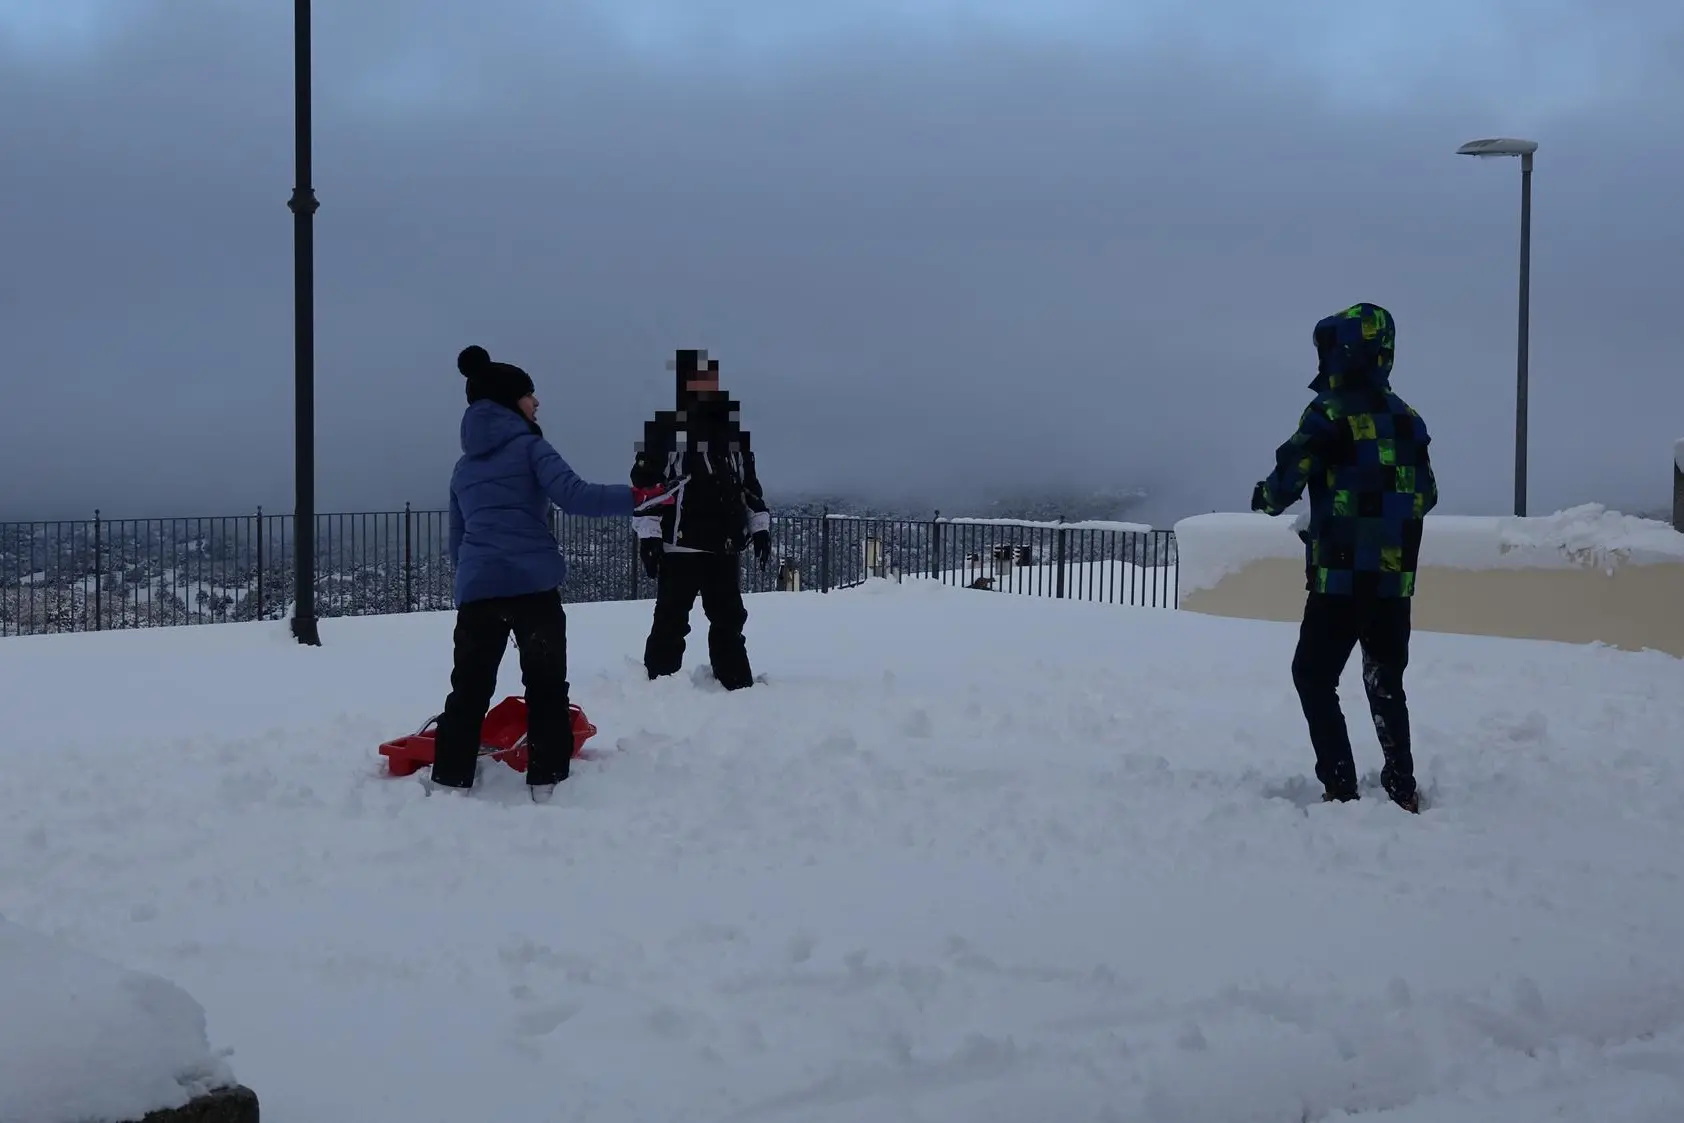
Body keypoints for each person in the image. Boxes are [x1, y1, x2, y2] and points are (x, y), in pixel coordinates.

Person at [432, 344, 670, 801]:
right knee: (544, 687)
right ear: (508, 401)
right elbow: (576, 496)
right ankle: (547, 781)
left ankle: (449, 783)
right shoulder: (529, 447)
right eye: (529, 395)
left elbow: (457, 539)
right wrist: (641, 496)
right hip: (531, 586)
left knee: (467, 690)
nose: (537, 403)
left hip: (478, 591)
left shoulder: (463, 467)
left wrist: (473, 579)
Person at [1250, 302, 1438, 813]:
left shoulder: (1330, 413)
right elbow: (1427, 495)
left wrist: (1264, 498)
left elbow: (1286, 481)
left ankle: (1341, 784)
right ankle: (1402, 786)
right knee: (1384, 679)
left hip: (1340, 575)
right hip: (1394, 579)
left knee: (1313, 675)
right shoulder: (1407, 419)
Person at [631, 348, 772, 690]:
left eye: (711, 377)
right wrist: (648, 536)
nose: (707, 384)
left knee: (729, 618)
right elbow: (646, 488)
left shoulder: (733, 434)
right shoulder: (664, 429)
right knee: (670, 619)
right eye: (698, 377)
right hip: (679, 544)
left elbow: (748, 486)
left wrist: (760, 527)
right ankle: (657, 687)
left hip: (724, 544)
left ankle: (736, 685)